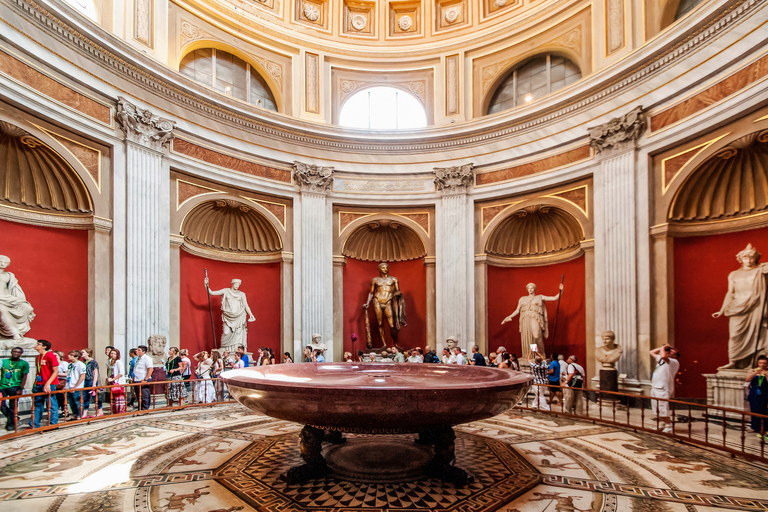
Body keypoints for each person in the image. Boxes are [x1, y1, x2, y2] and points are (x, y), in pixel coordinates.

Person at [712, 244, 768, 369]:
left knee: (757, 335)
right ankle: (733, 361)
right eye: (745, 258)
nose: (748, 260)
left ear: (756, 258)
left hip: (756, 307)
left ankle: (753, 363)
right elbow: (730, 293)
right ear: (740, 259)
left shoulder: (760, 270)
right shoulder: (733, 274)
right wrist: (722, 310)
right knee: (734, 335)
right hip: (737, 307)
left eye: (751, 258)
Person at [501, 282, 564, 359]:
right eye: (529, 288)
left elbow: (554, 298)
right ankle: (530, 356)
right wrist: (509, 316)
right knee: (529, 338)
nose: (530, 289)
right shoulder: (522, 299)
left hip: (535, 317)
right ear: (527, 289)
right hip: (525, 319)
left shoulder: (540, 297)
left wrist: (561, 291)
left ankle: (540, 354)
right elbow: (517, 310)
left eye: (532, 288)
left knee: (536, 336)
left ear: (534, 289)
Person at [204, 277, 256, 355]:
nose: (237, 286)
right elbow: (211, 293)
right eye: (236, 284)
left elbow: (245, 305)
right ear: (232, 284)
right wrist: (206, 284)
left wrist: (251, 315)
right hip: (228, 316)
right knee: (226, 332)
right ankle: (224, 348)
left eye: (238, 285)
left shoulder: (242, 294)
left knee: (238, 333)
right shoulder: (226, 291)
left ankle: (237, 350)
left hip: (239, 316)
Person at [363, 262, 406, 348]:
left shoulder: (394, 279)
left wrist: (398, 294)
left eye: (386, 267)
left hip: (388, 301)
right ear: (379, 269)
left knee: (392, 325)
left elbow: (398, 291)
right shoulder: (374, 280)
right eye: (383, 267)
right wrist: (367, 303)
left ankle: (395, 344)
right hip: (377, 301)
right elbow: (371, 293)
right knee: (380, 323)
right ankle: (384, 344)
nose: (385, 269)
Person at [0, 255, 35, 341]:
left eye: (5, 262)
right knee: (3, 310)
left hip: (7, 297)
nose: (2, 264)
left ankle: (18, 331)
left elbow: (14, 288)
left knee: (27, 308)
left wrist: (19, 300)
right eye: (1, 261)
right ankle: (14, 332)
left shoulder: (9, 275)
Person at [649, 344, 680, 433]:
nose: (669, 352)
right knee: (656, 408)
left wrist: (663, 347)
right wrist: (663, 347)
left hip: (663, 388)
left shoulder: (673, 362)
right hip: (655, 386)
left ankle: (669, 425)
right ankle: (663, 424)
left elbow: (663, 355)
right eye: (668, 351)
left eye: (672, 351)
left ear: (675, 356)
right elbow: (651, 352)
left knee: (663, 408)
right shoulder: (662, 360)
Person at [30, 339, 59, 429]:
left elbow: (55, 371)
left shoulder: (51, 356)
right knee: (37, 403)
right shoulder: (37, 357)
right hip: (38, 383)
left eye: (38, 344)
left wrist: (48, 384)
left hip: (49, 383)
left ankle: (53, 423)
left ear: (44, 347)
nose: (36, 345)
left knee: (51, 403)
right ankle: (34, 424)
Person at [0, 347, 28, 430]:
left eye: (18, 352)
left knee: (13, 405)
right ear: (11, 352)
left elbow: (24, 377)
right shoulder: (3, 362)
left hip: (15, 386)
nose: (16, 353)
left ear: (21, 353)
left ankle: (10, 423)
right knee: (1, 405)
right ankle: (13, 418)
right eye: (14, 351)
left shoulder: (24, 364)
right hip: (2, 386)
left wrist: (21, 388)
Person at [746, 355, 768, 438]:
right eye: (760, 363)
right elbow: (747, 380)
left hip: (764, 394)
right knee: (754, 410)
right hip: (754, 393)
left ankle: (764, 428)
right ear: (757, 363)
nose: (762, 365)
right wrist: (754, 373)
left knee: (763, 411)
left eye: (764, 363)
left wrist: (765, 374)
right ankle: (754, 427)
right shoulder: (753, 371)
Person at [81, 348, 103, 418]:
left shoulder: (93, 362)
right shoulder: (83, 362)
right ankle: (84, 413)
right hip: (85, 380)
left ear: (88, 353)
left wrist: (94, 383)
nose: (82, 353)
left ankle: (100, 411)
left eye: (83, 352)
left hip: (91, 380)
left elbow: (95, 373)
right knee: (85, 397)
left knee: (95, 396)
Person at [64, 350, 86, 420]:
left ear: (76, 357)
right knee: (71, 402)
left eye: (71, 355)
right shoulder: (69, 364)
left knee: (77, 402)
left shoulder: (80, 364)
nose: (68, 356)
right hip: (69, 386)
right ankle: (75, 415)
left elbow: (82, 376)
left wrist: (75, 386)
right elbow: (68, 375)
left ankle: (80, 415)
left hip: (76, 387)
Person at [133, 344, 154, 411]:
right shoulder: (137, 358)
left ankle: (145, 408)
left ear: (143, 351)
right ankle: (140, 407)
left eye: (139, 350)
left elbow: (150, 369)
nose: (137, 351)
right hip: (137, 378)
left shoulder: (147, 358)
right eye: (137, 349)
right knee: (138, 395)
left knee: (144, 394)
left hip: (143, 378)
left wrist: (146, 379)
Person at [106, 348, 126, 414]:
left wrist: (113, 379)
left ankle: (120, 410)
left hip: (118, 381)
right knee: (114, 397)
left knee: (119, 397)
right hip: (112, 381)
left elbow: (121, 372)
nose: (113, 355)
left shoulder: (118, 361)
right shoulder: (110, 361)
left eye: (114, 354)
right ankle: (114, 410)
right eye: (111, 353)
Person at [54, 350, 68, 414]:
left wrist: (57, 373)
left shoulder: (64, 363)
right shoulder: (54, 364)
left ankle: (65, 410)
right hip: (55, 381)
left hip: (62, 381)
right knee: (57, 397)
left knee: (62, 396)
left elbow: (67, 374)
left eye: (55, 355)